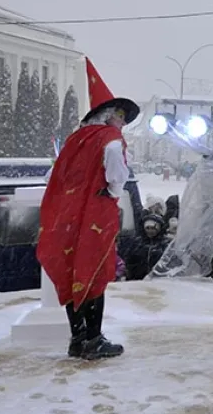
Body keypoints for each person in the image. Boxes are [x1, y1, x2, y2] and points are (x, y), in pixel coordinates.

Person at [37, 58, 138, 360]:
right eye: (120, 115)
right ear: (109, 116)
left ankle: (77, 338)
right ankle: (94, 339)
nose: (122, 122)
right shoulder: (110, 139)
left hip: (65, 215)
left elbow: (51, 176)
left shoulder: (74, 140)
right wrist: (111, 191)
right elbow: (117, 176)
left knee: (71, 271)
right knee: (94, 271)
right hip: (95, 212)